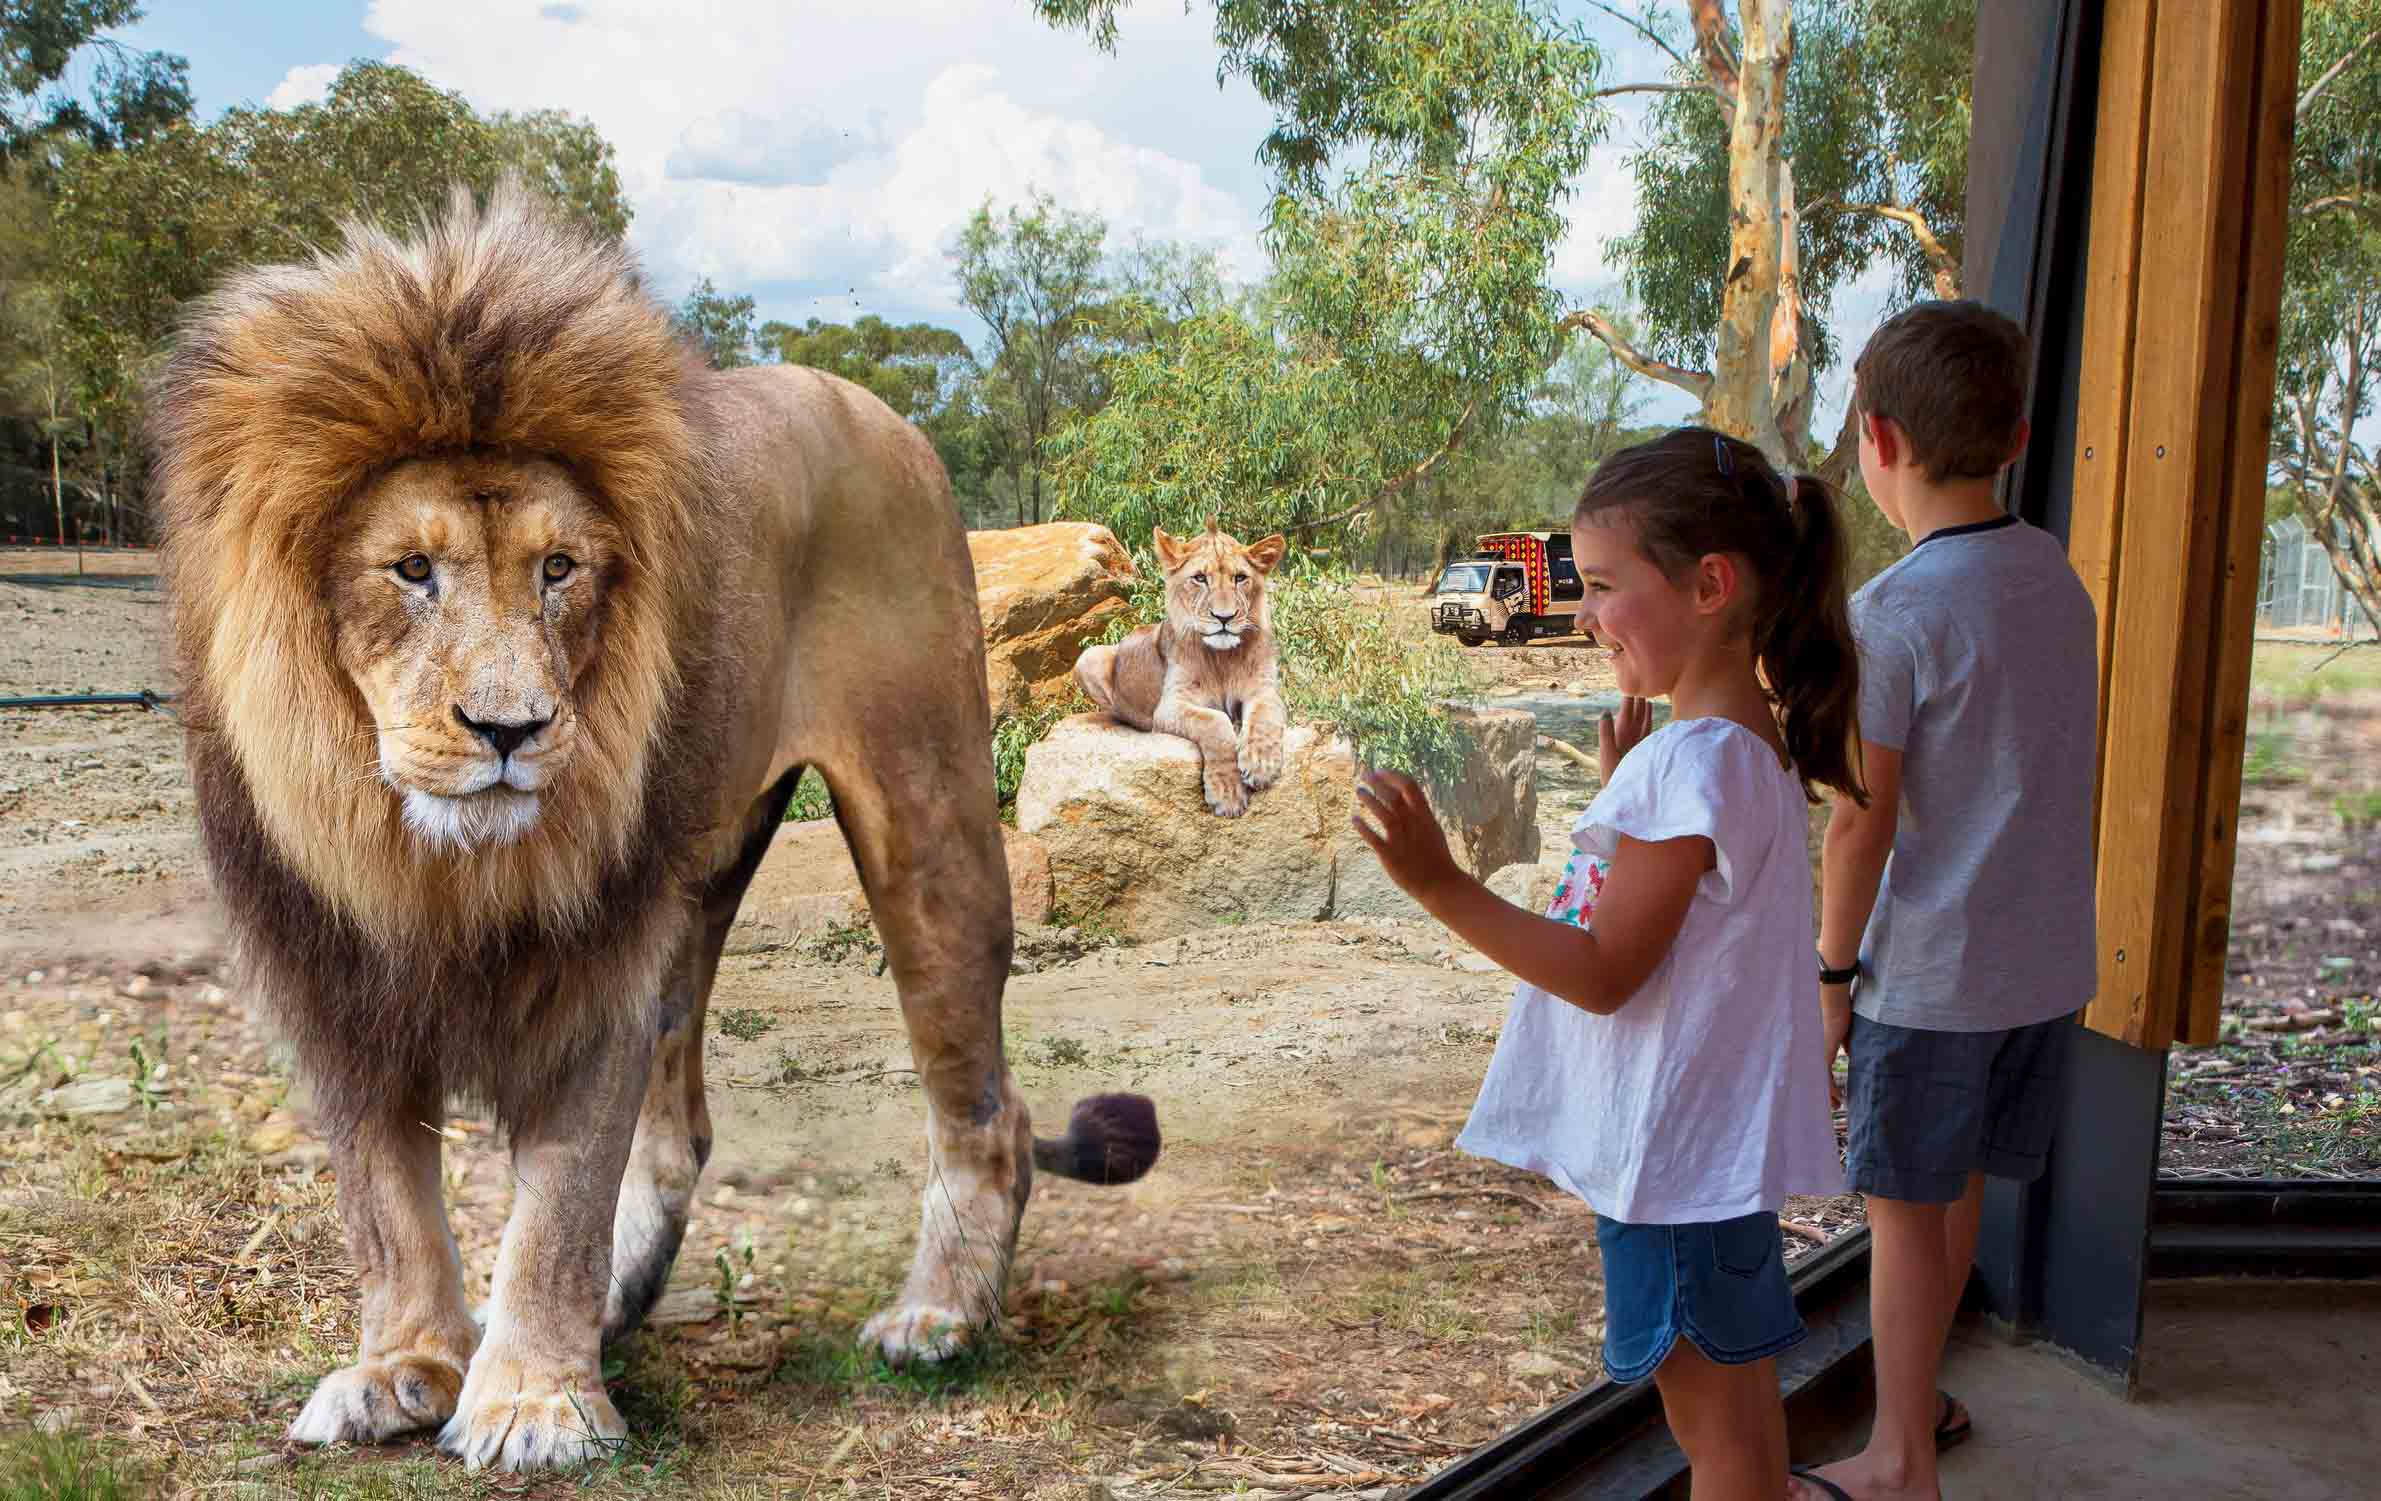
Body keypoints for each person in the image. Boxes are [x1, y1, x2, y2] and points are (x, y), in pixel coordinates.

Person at [1356, 426, 1864, 1501]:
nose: (1582, 614)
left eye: (1598, 585)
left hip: (1675, 1169)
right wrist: (1632, 780)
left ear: (1710, 584)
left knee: (1708, 1428)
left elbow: (1602, 972)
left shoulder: (1694, 763)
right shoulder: (1736, 745)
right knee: (1734, 1405)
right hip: (1706, 1158)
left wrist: (1439, 882)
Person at [1807, 300, 2099, 1501]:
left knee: (1896, 1206)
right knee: (1955, 1185)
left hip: (1927, 977)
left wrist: (1829, 976)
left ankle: (1893, 1462)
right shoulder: (2054, 578)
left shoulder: (1890, 616)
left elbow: (1858, 820)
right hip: (2039, 969)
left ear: (1875, 441)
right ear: (2017, 433)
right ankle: (1915, 1399)